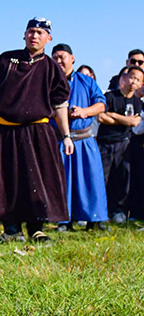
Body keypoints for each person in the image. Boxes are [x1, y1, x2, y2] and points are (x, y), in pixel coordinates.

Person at [0, 17, 73, 244]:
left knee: (37, 180)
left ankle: (37, 229)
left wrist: (66, 136)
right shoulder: (6, 60)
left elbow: (60, 106)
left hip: (39, 132)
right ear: (24, 35)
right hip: (5, 131)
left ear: (48, 38)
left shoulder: (51, 68)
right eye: (31, 31)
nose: (34, 36)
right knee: (5, 180)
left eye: (40, 33)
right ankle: (11, 230)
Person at [50, 44, 108, 231]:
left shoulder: (86, 81)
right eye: (55, 57)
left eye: (62, 57)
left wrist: (83, 111)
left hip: (84, 139)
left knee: (91, 180)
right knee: (61, 181)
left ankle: (95, 220)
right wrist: (62, 113)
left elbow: (100, 105)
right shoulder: (47, 82)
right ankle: (63, 221)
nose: (59, 61)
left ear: (72, 58)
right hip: (59, 139)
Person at [96, 65, 143, 223]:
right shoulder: (110, 96)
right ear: (125, 77)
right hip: (105, 143)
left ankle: (119, 211)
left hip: (124, 144)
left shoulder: (136, 102)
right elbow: (101, 117)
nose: (133, 82)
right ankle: (99, 212)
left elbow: (135, 122)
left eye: (138, 80)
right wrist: (125, 120)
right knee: (102, 178)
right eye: (132, 77)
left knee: (123, 178)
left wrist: (114, 117)